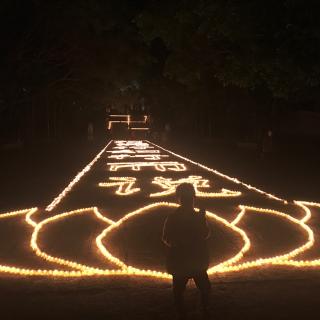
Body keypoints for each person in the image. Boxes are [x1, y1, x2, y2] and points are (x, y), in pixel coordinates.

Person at [162, 183, 211, 319]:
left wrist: (201, 220)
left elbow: (205, 234)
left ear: (194, 198)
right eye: (185, 198)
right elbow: (166, 237)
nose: (188, 201)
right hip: (181, 261)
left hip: (196, 261)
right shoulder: (173, 218)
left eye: (190, 198)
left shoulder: (198, 216)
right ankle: (181, 313)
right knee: (178, 291)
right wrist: (178, 243)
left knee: (205, 288)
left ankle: (204, 309)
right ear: (179, 199)